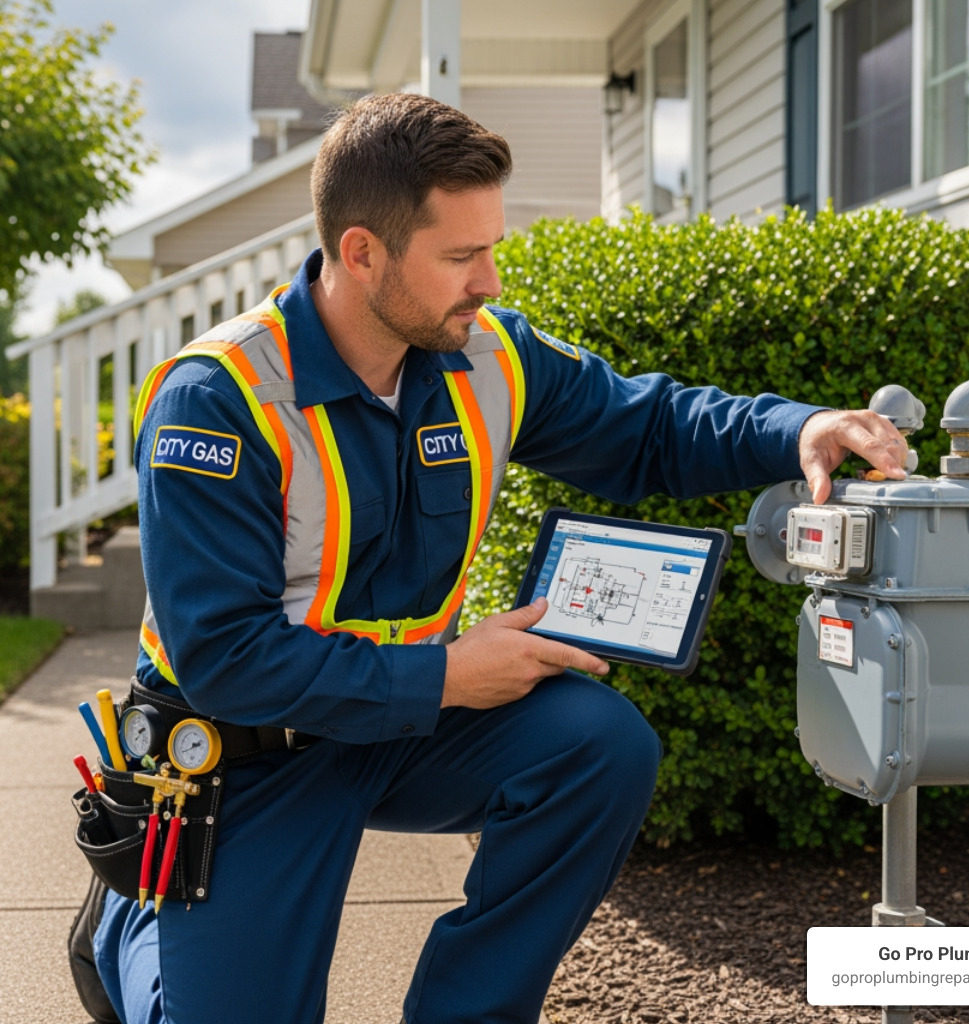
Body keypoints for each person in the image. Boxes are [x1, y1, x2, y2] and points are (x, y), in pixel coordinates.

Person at [78, 92, 908, 1024]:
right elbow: (225, 657)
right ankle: (130, 928)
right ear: (362, 253)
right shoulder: (219, 400)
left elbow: (648, 427)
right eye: (462, 256)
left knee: (599, 749)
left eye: (493, 247)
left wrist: (799, 427)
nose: (492, 282)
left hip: (405, 727)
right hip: (246, 753)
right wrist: (445, 677)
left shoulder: (489, 357)